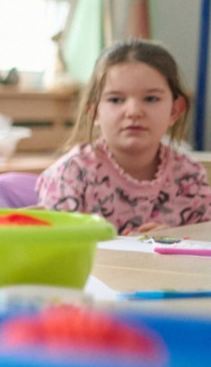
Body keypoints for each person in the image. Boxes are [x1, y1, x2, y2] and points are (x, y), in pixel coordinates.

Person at [37, 40, 211, 235]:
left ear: (175, 111)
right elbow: (56, 246)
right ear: (94, 112)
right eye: (116, 100)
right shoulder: (72, 174)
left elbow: (203, 243)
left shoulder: (190, 176)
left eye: (151, 98)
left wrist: (172, 239)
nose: (134, 111)